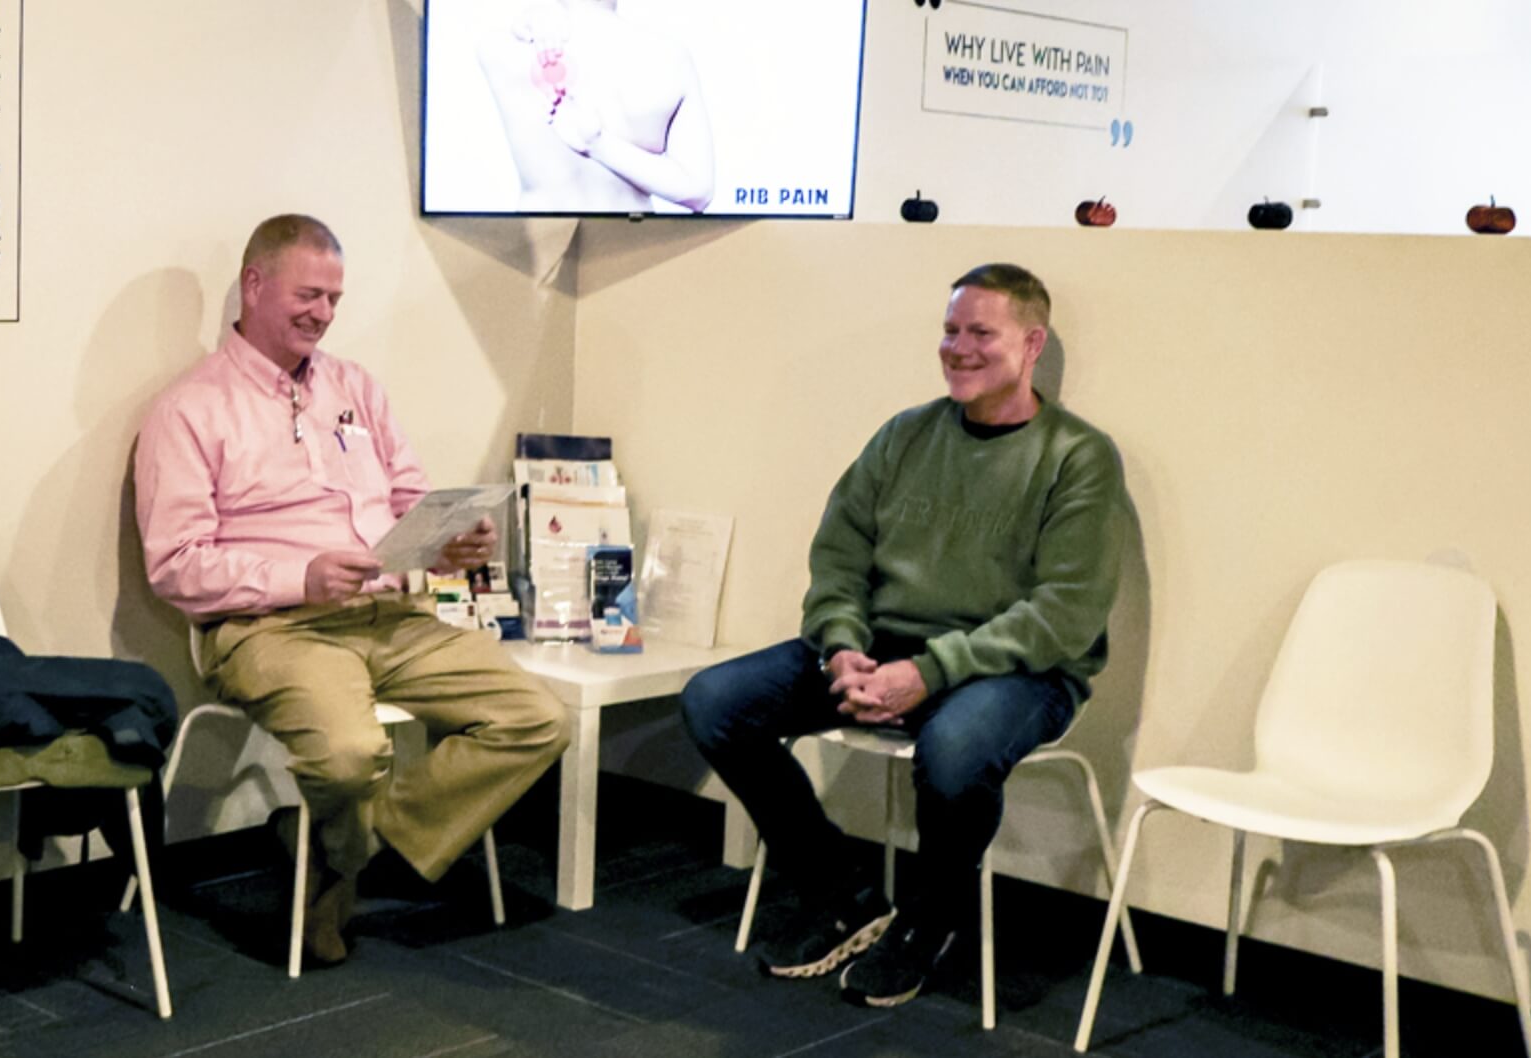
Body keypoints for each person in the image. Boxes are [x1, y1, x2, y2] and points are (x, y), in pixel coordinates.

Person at [677, 263, 1126, 1008]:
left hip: (1019, 673)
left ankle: (928, 924)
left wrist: (929, 671)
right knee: (714, 701)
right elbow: (839, 556)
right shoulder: (905, 435)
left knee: (954, 752)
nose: (958, 347)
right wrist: (842, 647)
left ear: (1032, 343)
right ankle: (843, 895)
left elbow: (1064, 613)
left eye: (981, 332)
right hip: (884, 649)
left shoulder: (1076, 455)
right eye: (950, 331)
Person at [132, 214, 568, 965]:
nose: (324, 314)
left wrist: (450, 544)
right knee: (348, 756)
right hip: (270, 630)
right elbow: (174, 565)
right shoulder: (188, 409)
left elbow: (409, 501)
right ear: (255, 284)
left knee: (537, 716)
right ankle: (342, 863)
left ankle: (342, 848)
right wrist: (295, 578)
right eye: (309, 295)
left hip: (391, 614)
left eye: (335, 298)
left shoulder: (355, 388)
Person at [475, 0, 715, 213]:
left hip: (540, 249)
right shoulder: (671, 59)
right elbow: (698, 192)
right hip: (635, 248)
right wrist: (601, 146)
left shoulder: (500, 48)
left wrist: (596, 144)